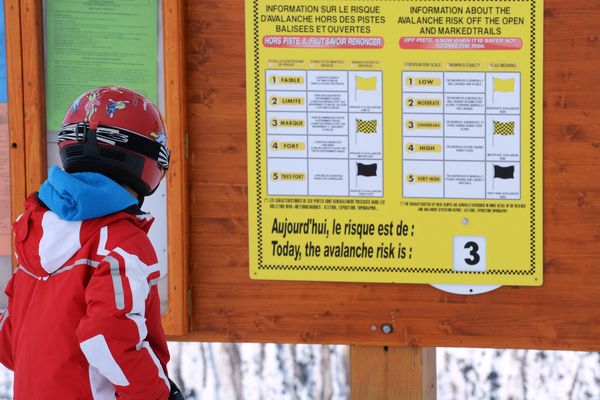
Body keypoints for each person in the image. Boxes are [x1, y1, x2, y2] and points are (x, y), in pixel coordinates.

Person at [0, 86, 183, 399]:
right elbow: (107, 336)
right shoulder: (122, 242)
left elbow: (9, 343)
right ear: (147, 162)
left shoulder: (37, 230)